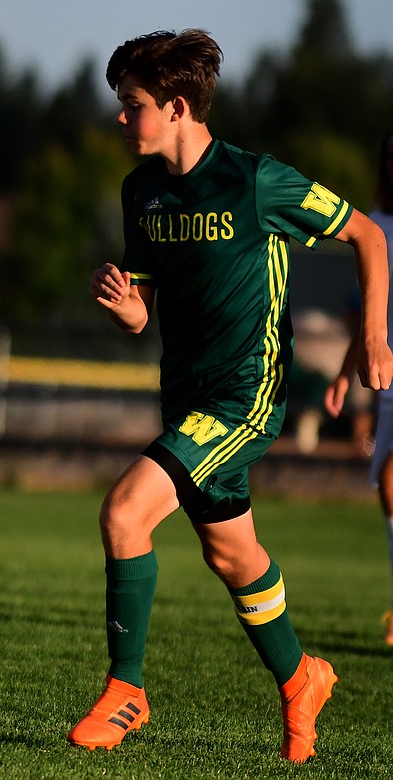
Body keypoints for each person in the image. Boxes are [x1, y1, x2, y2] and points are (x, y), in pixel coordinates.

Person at [71, 30, 393, 763]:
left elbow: (369, 237)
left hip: (246, 397)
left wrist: (372, 339)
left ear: (177, 106)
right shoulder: (141, 190)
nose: (121, 120)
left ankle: (127, 691)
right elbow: (143, 313)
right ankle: (301, 677)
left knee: (124, 513)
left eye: (133, 107)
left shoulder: (256, 181)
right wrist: (123, 304)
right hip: (182, 395)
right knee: (233, 554)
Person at [324, 128, 393, 646]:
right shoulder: (378, 225)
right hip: (388, 381)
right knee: (389, 498)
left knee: (392, 479)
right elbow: (367, 317)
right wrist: (345, 373)